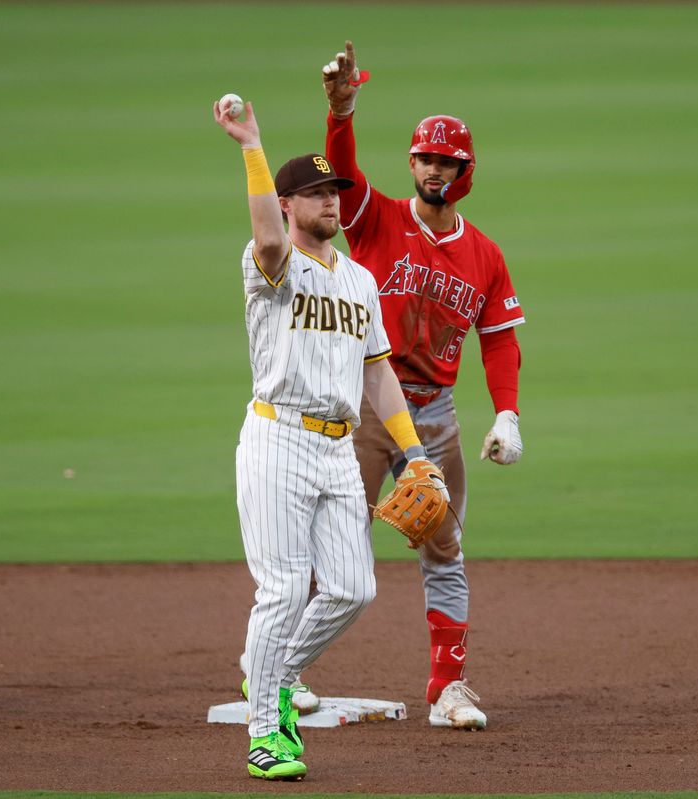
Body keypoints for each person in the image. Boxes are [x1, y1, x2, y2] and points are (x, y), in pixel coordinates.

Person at [214, 97, 448, 780]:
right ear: (286, 203)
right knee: (284, 590)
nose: (332, 201)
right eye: (315, 193)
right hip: (277, 438)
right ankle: (266, 731)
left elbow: (380, 374)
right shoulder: (272, 265)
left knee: (353, 587)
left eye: (335, 191)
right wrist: (251, 144)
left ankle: (276, 676)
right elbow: (263, 235)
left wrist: (415, 453)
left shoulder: (360, 280)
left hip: (337, 448)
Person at [320, 42, 526, 730]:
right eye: (425, 158)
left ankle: (449, 687)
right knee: (330, 543)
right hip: (366, 403)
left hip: (434, 415)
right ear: (410, 163)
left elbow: (498, 338)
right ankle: (277, 668)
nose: (434, 170)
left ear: (465, 171)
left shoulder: (485, 254)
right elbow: (341, 173)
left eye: (448, 161)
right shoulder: (374, 217)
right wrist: (341, 110)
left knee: (444, 547)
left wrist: (507, 413)